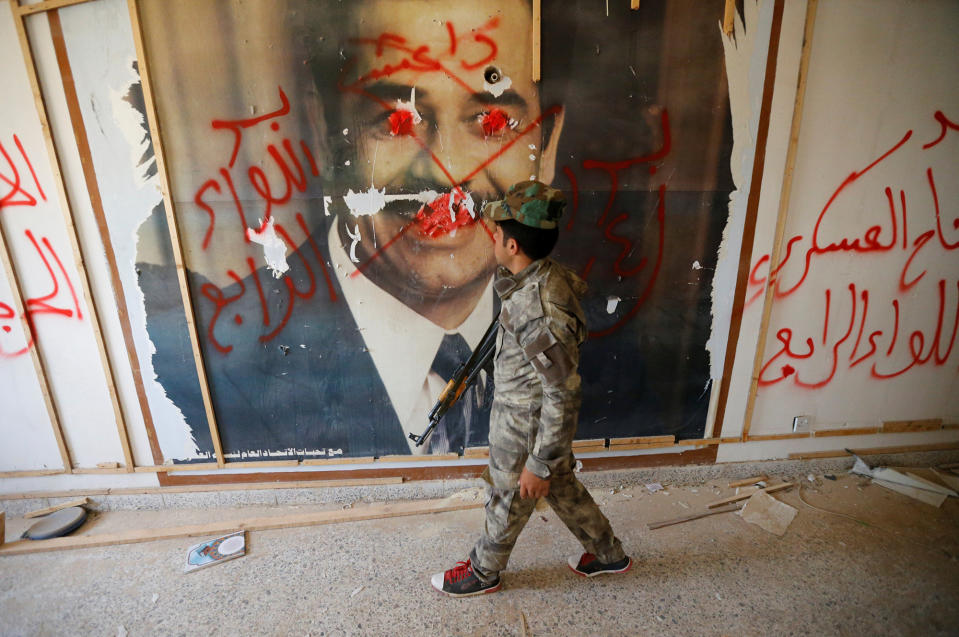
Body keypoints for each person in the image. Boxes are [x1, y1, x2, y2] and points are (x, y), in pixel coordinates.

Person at [140, 0, 566, 460]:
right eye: (397, 121)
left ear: (546, 147)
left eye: (493, 121)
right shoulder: (215, 372)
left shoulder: (601, 349)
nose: (449, 173)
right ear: (325, 132)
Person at [431, 180, 630, 597]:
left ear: (513, 245)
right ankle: (608, 554)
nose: (494, 239)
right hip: (532, 420)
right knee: (562, 486)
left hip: (525, 423)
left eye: (498, 233)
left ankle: (482, 572)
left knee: (507, 495)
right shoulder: (536, 277)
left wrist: (539, 460)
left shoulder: (538, 308)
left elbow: (562, 392)